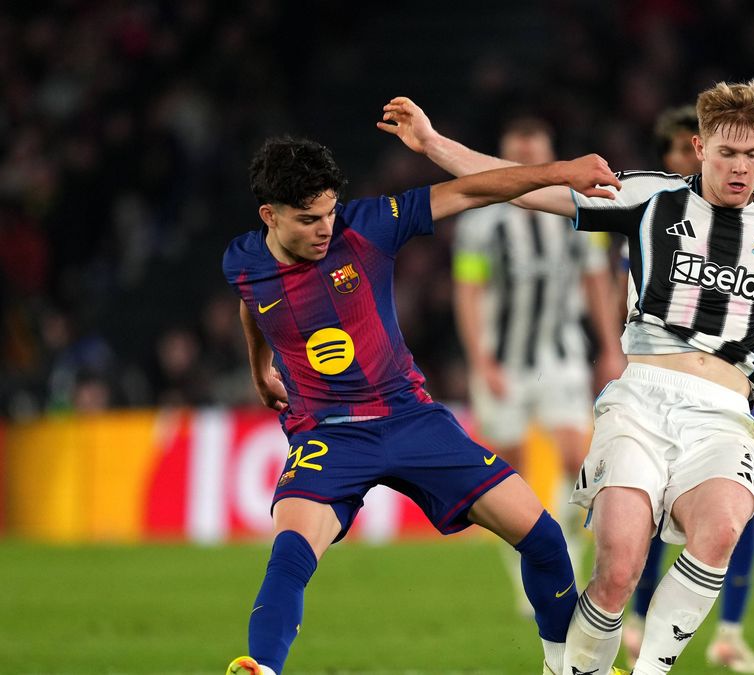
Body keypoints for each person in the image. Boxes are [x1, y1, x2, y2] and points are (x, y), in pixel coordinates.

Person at [377, 79, 754, 675]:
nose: (739, 167)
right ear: (700, 147)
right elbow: (530, 189)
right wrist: (435, 143)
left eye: (752, 154)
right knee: (619, 568)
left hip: (726, 410)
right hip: (643, 399)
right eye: (726, 152)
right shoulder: (650, 197)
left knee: (722, 528)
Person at [222, 133, 621, 675]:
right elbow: (251, 303)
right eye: (308, 219)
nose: (325, 229)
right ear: (269, 216)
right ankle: (263, 669)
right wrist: (260, 369)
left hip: (411, 419)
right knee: (290, 554)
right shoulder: (242, 260)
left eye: (329, 213)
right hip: (328, 434)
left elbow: (474, 190)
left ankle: (565, 668)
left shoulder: (368, 226)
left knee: (544, 537)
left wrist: (560, 172)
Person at [617, 105, 754, 674]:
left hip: (729, 393)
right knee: (652, 507)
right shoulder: (650, 213)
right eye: (683, 149)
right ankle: (636, 619)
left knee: (738, 511)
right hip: (658, 385)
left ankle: (729, 630)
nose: (692, 158)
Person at [453, 116, 625, 612]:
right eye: (517, 157)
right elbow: (468, 292)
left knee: (578, 459)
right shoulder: (480, 221)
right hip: (502, 359)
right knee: (511, 474)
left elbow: (596, 281)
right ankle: (525, 566)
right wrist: (480, 360)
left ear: (550, 158)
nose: (526, 164)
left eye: (534, 156)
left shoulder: (576, 211)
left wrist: (610, 348)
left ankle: (567, 548)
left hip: (560, 354)